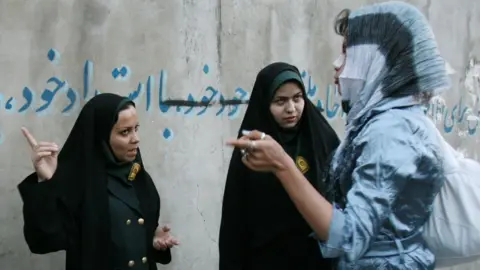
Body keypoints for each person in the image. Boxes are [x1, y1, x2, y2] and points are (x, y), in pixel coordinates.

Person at [226, 2, 450, 269]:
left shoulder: (390, 134)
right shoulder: (384, 124)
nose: (336, 64)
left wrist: (281, 164)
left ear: (375, 61)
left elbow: (349, 239)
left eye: (346, 53)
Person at [17, 93, 179, 270]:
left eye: (136, 128)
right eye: (125, 132)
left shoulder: (139, 177)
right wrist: (48, 182)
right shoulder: (79, 183)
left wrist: (154, 238)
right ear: (101, 136)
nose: (136, 139)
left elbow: (136, 234)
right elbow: (44, 241)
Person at [218, 62, 340, 270]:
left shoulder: (323, 139)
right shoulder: (253, 149)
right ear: (265, 103)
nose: (291, 109)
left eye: (297, 98)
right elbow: (234, 224)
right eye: (280, 101)